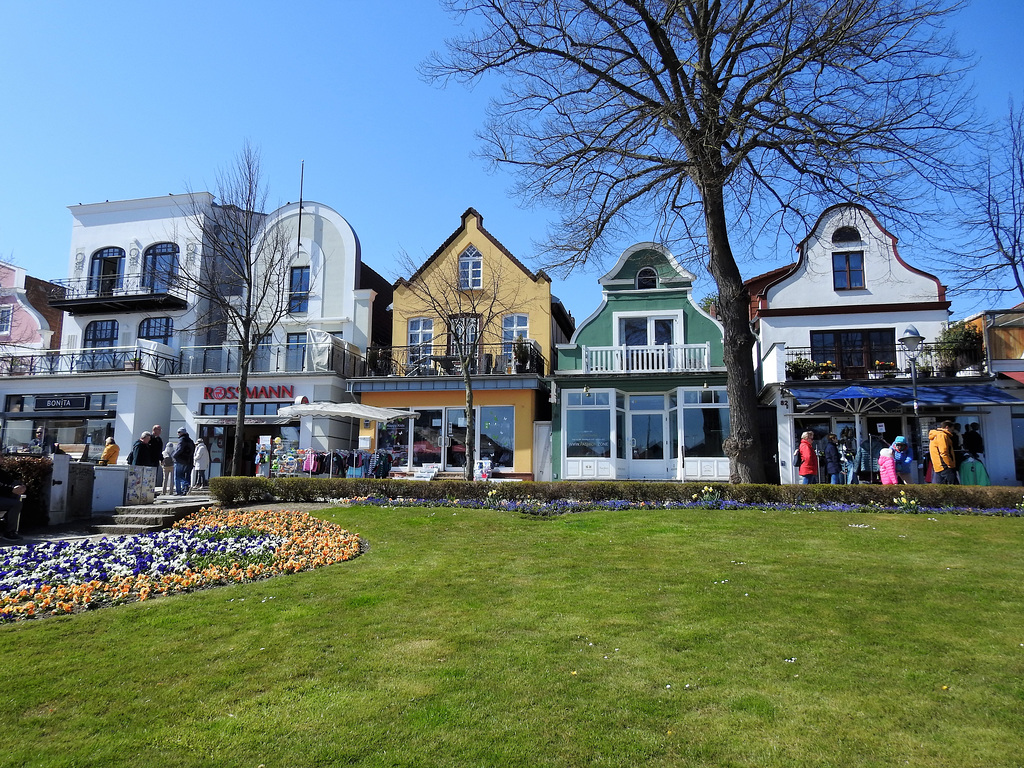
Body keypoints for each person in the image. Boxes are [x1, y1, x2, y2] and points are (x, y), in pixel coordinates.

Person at [0, 465, 27, 541]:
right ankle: (9, 531)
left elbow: (12, 482)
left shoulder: (2, 473)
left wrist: (21, 487)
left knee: (17, 498)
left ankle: (9, 530)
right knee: (15, 504)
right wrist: (11, 490)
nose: (2, 458)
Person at [172, 428, 195, 495]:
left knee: (177, 476)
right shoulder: (190, 441)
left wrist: (174, 456)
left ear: (182, 433)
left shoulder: (182, 440)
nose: (177, 434)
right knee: (184, 475)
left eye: (178, 432)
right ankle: (185, 489)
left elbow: (179, 449)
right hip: (187, 460)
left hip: (180, 460)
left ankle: (179, 490)